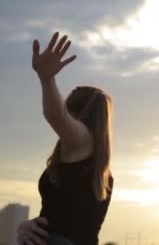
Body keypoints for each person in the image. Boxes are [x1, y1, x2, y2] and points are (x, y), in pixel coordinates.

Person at [17, 32, 114, 245]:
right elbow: (60, 215)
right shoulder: (81, 159)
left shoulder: (84, 142)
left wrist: (47, 79)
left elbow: (56, 115)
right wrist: (26, 227)